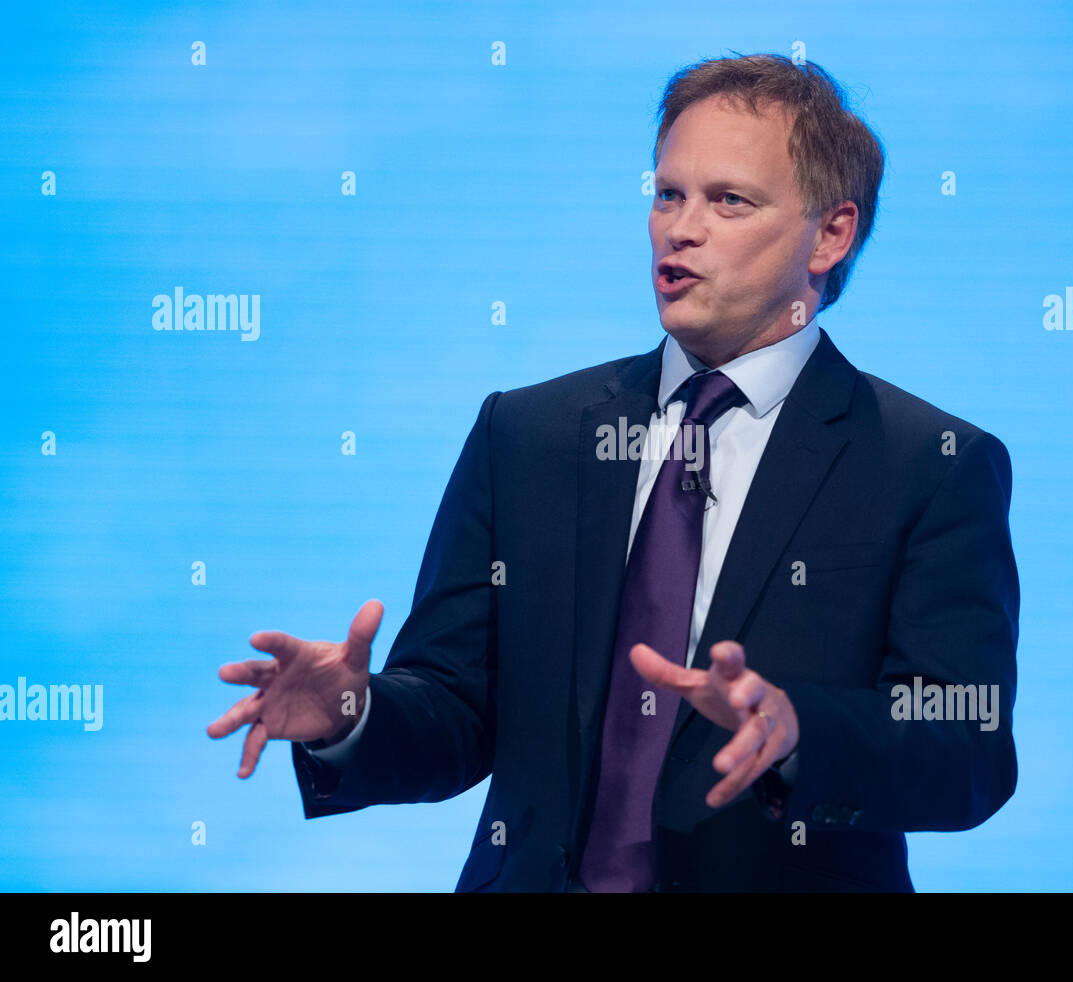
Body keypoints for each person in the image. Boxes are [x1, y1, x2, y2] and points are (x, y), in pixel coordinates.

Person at [207, 53, 1019, 892]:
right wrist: (354, 714)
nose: (680, 228)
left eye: (728, 200)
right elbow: (457, 708)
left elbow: (967, 748)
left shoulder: (928, 465)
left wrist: (801, 729)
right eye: (668, 193)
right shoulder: (528, 435)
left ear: (832, 233)